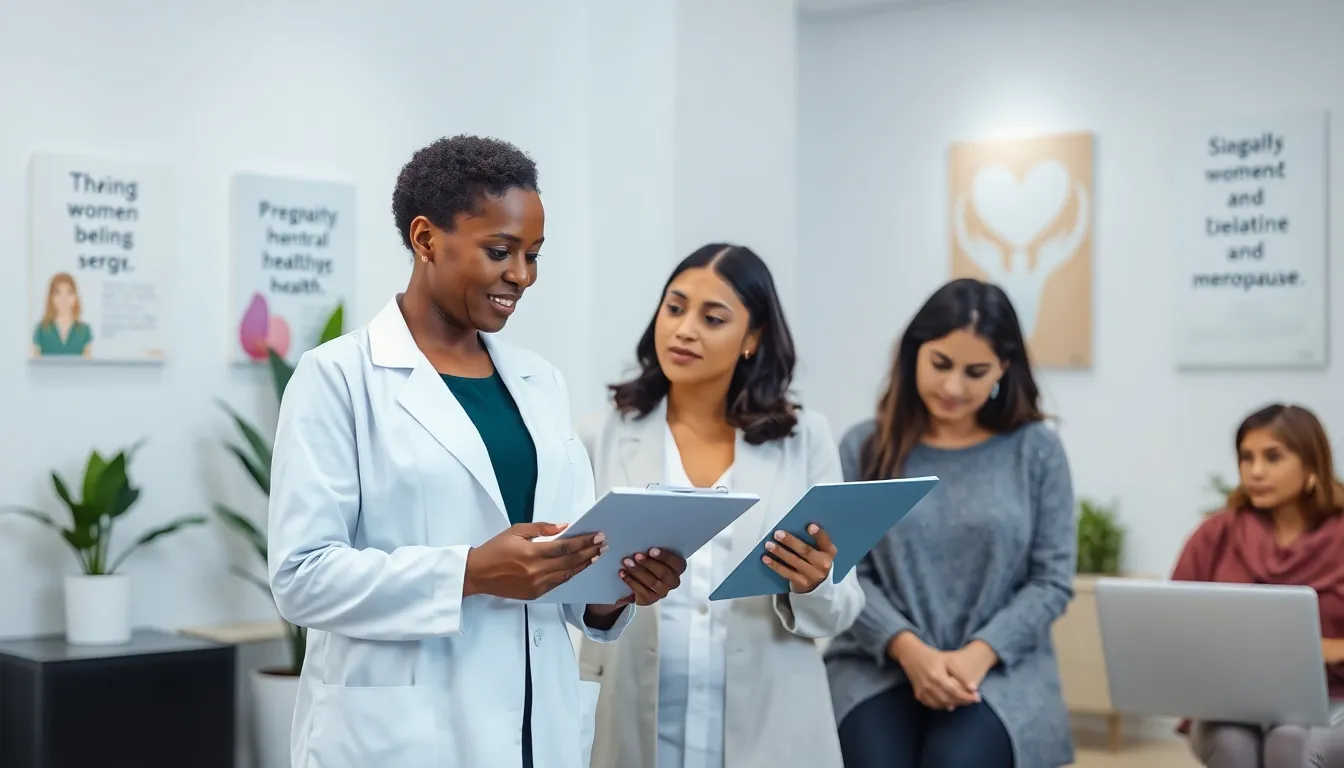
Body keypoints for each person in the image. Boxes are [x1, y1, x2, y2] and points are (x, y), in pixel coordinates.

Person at [266, 135, 686, 768]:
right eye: (500, 251)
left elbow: (564, 558)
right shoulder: (338, 378)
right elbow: (302, 579)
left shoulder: (539, 382)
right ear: (426, 239)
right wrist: (469, 572)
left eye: (533, 255)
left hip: (533, 728)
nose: (521, 275)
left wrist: (612, 591)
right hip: (404, 735)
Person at [577, 244, 865, 768]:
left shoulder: (804, 439)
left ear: (753, 338)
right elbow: (569, 591)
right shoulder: (600, 434)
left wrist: (815, 582)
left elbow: (844, 606)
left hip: (772, 726)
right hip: (631, 720)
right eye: (675, 307)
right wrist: (605, 598)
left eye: (713, 318)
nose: (685, 329)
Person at [823, 277, 1077, 768]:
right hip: (878, 662)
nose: (953, 387)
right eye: (940, 364)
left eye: (975, 371)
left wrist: (977, 655)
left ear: (1003, 369)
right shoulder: (863, 448)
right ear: (914, 352)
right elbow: (845, 570)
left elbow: (1050, 581)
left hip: (1000, 670)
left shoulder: (1037, 450)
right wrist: (910, 651)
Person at [1173, 403, 1344, 768]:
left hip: (1334, 697)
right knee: (1233, 746)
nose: (1256, 471)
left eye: (1273, 457)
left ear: (1313, 464)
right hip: (1232, 700)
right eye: (1246, 458)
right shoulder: (1218, 532)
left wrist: (1334, 649)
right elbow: (1174, 619)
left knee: (1291, 743)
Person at [32, 273, 92, 357]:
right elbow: (35, 365)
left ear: (75, 297)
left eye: (69, 293)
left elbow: (88, 366)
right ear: (51, 298)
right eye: (58, 293)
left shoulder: (84, 330)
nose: (64, 299)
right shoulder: (41, 330)